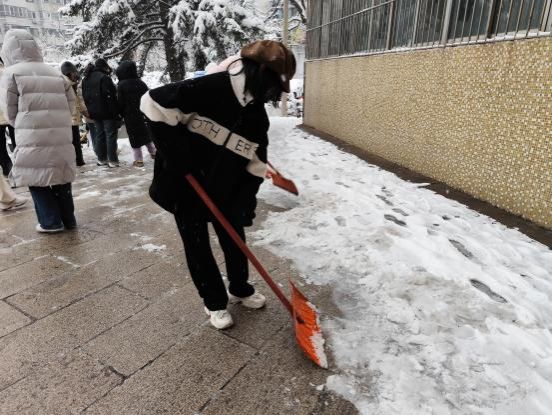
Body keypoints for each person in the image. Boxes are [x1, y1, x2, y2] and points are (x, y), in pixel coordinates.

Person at [140, 40, 296, 329]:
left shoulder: (255, 113)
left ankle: (240, 288)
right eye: (275, 85)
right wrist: (179, 158)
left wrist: (247, 199)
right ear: (261, 73)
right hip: (186, 184)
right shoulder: (208, 88)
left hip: (225, 185)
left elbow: (256, 160)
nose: (274, 94)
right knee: (197, 244)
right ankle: (214, 302)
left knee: (235, 237)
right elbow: (151, 102)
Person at [0, 30, 77, 233]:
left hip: (31, 133)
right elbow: (71, 104)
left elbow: (9, 110)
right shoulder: (55, 72)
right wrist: (58, 119)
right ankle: (69, 219)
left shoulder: (11, 74)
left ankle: (50, 222)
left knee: (36, 176)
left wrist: (23, 123)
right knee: (61, 174)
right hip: (60, 132)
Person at [115, 60, 156, 167]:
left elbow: (120, 102)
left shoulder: (121, 85)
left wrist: (120, 113)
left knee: (134, 137)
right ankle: (154, 152)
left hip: (129, 115)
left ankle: (138, 160)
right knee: (145, 134)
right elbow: (148, 97)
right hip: (142, 113)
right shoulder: (140, 83)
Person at [82, 58, 120, 167]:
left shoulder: (86, 78)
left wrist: (90, 110)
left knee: (99, 135)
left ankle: (101, 159)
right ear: (104, 66)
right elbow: (110, 97)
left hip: (94, 112)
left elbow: (85, 96)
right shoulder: (104, 78)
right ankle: (113, 160)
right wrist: (115, 113)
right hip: (107, 111)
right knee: (110, 135)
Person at [61, 61, 87, 166]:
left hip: (72, 115)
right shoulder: (66, 84)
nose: (74, 75)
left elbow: (78, 99)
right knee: (73, 139)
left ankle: (78, 159)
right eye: (73, 73)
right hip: (69, 115)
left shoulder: (71, 84)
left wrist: (83, 111)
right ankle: (77, 159)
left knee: (74, 139)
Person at [0, 57, 15, 177]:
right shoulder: (8, 72)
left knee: (1, 145)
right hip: (12, 112)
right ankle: (22, 167)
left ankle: (8, 168)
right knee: (18, 143)